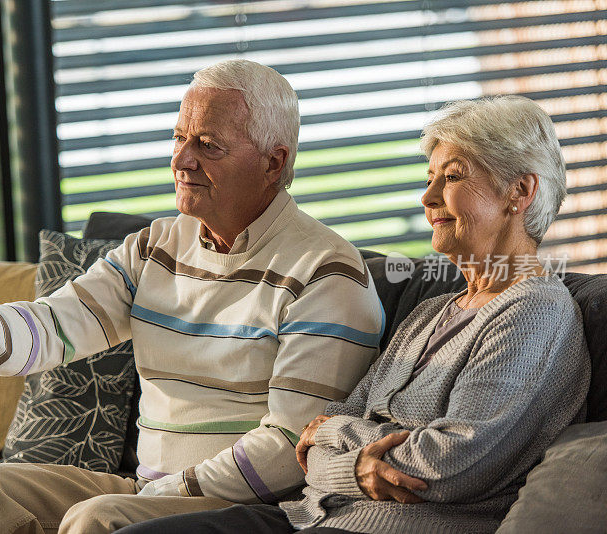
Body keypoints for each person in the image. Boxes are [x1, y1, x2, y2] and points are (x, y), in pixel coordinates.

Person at [0, 59, 384, 534]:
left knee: (98, 516)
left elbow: (288, 448)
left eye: (208, 145)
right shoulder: (155, 247)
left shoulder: (326, 273)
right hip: (151, 492)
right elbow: (58, 324)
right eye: (179, 138)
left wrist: (158, 493)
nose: (181, 160)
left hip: (249, 510)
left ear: (273, 162)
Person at [112, 96, 591, 534]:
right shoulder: (429, 314)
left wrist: (342, 441)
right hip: (310, 516)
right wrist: (355, 456)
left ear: (520, 191)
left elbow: (449, 466)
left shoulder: (534, 314)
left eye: (454, 176)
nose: (428, 199)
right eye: (429, 179)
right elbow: (309, 446)